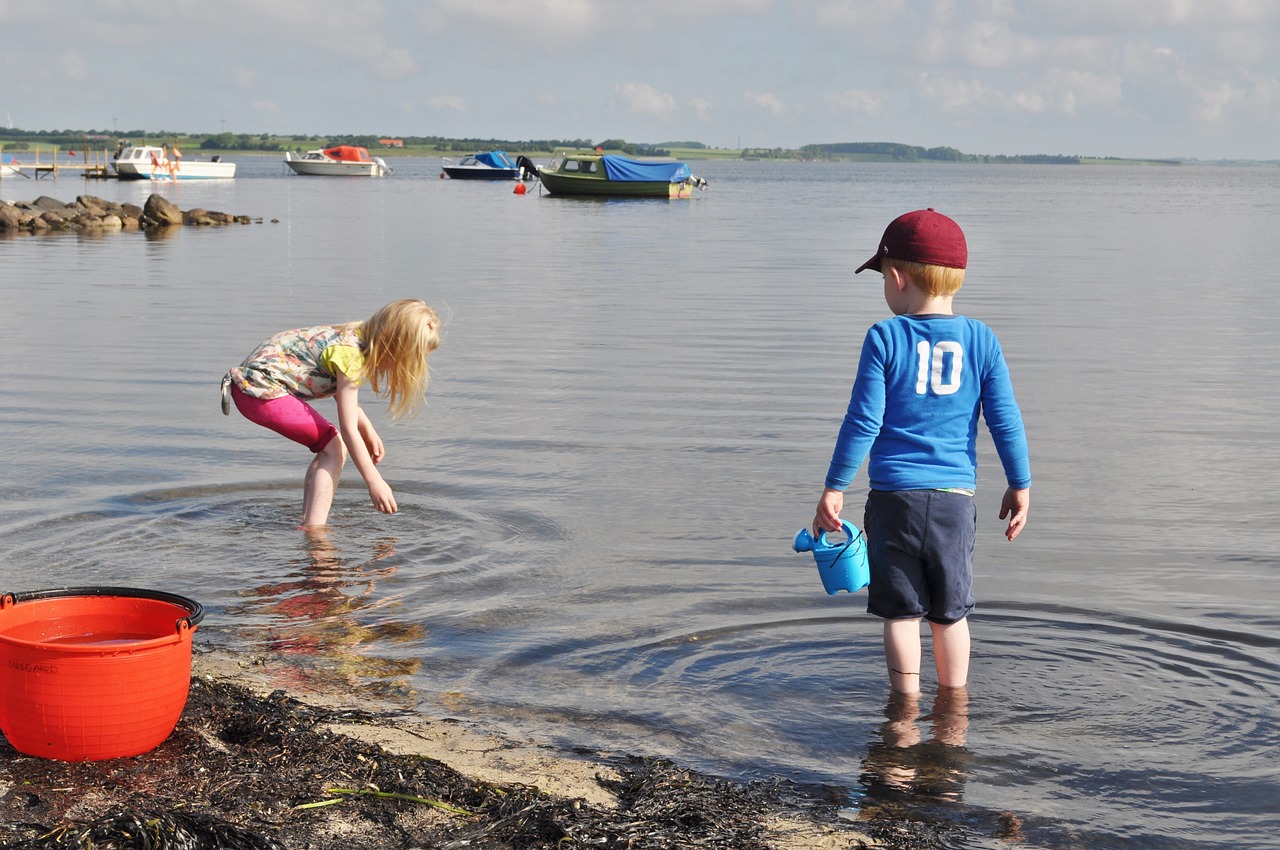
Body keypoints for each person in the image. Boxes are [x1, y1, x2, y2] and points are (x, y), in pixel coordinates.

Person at [812, 209, 1030, 694]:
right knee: (950, 614)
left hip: (894, 501)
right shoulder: (982, 340)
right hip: (955, 501)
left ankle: (903, 710)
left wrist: (835, 486)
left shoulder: (885, 337)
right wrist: (1020, 484)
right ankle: (954, 710)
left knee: (901, 611)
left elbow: (864, 420)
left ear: (896, 276)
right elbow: (1004, 420)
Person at [221, 298, 441, 527]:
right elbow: (347, 428)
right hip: (259, 391)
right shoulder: (351, 355)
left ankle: (307, 522)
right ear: (394, 345)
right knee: (334, 447)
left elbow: (340, 393)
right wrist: (374, 481)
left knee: (330, 447)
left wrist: (366, 427)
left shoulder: (354, 336)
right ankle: (315, 531)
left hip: (250, 389)